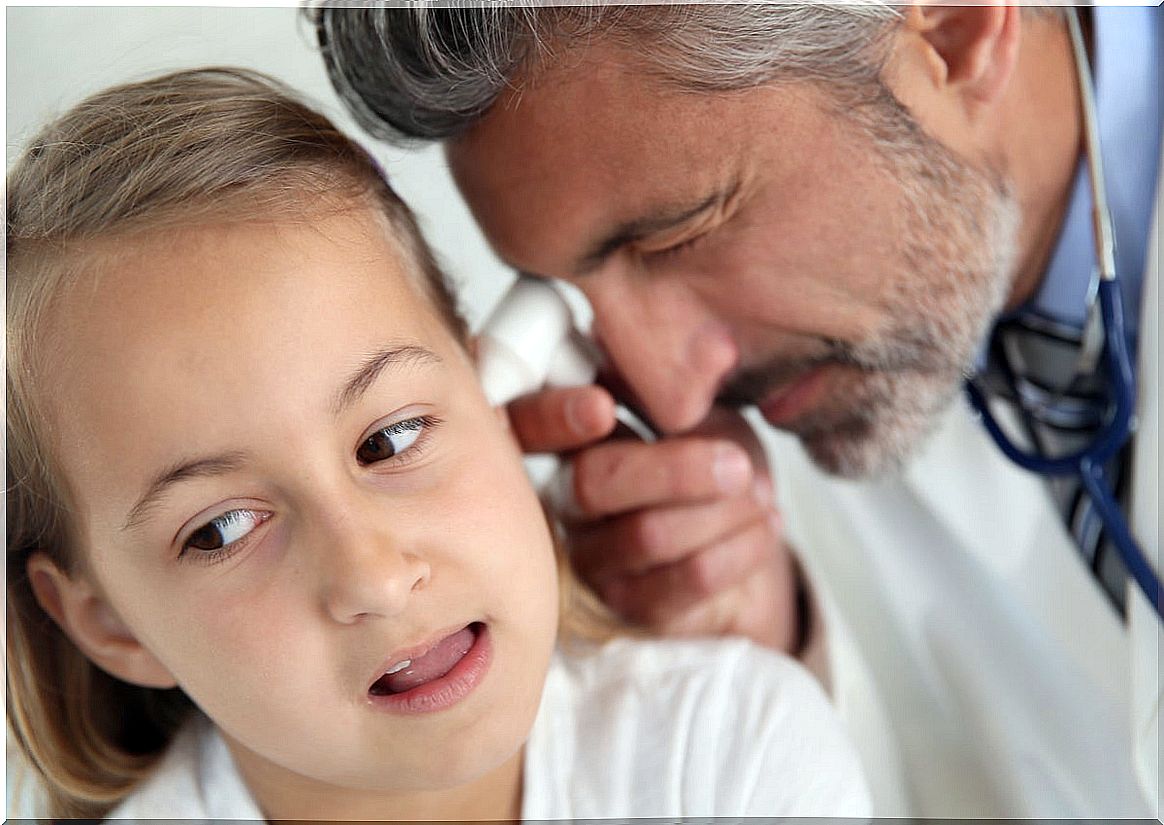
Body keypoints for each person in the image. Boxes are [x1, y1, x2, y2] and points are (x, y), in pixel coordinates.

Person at [313, 4, 1161, 817]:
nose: (674, 396)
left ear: (953, 26)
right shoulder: (830, 399)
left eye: (680, 236)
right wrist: (768, 645)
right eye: (578, 293)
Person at [4, 67, 871, 821]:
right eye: (221, 528)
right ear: (109, 622)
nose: (374, 576)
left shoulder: (729, 750)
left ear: (491, 396)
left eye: (392, 438)